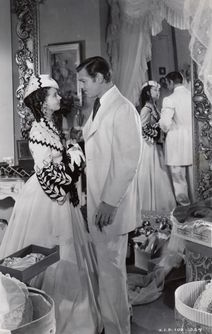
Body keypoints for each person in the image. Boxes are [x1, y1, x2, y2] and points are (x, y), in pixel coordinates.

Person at [0, 74, 102, 334]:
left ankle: (71, 315)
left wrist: (72, 153)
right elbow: (46, 172)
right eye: (54, 94)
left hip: (59, 194)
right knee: (50, 252)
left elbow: (62, 154)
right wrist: (72, 161)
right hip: (47, 197)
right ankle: (42, 313)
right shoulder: (37, 130)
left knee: (67, 253)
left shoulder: (51, 125)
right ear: (42, 101)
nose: (59, 98)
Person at [77, 56, 142, 334]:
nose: (81, 87)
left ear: (101, 77)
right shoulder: (99, 107)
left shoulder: (123, 109)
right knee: (109, 272)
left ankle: (117, 329)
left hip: (109, 206)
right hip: (99, 202)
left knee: (112, 273)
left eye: (84, 81)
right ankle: (113, 324)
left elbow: (128, 160)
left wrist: (108, 201)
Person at [137, 80, 176, 212]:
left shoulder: (153, 107)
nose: (158, 93)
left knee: (160, 174)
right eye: (155, 90)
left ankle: (162, 208)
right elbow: (143, 129)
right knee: (152, 174)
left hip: (156, 146)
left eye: (159, 90)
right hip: (149, 147)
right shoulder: (146, 109)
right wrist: (157, 130)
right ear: (148, 92)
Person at [159, 71, 193, 206]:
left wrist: (166, 125)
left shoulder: (169, 99)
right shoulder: (193, 96)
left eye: (167, 83)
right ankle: (199, 210)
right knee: (193, 178)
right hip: (193, 140)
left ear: (171, 82)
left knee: (178, 178)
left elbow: (165, 124)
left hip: (176, 142)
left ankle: (185, 208)